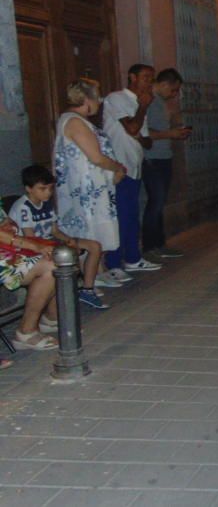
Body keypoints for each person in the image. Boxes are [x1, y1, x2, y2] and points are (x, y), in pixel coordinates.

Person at [54, 79, 125, 294]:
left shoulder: (78, 120)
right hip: (85, 190)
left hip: (93, 187)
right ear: (86, 100)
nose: (99, 102)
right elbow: (95, 157)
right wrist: (118, 167)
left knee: (96, 229)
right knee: (89, 229)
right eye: (97, 97)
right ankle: (88, 281)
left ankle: (98, 272)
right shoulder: (75, 122)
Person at [11, 165, 106, 309]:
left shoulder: (46, 203)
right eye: (42, 189)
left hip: (49, 241)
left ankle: (87, 289)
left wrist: (68, 240)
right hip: (32, 249)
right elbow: (30, 238)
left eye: (50, 188)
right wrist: (60, 245)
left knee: (94, 246)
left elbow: (55, 230)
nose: (48, 193)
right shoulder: (23, 207)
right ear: (29, 188)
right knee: (65, 256)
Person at [103, 64, 162, 278]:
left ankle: (133, 258)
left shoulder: (139, 104)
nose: (149, 82)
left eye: (151, 78)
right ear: (132, 77)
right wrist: (143, 108)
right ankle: (114, 263)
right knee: (119, 215)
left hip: (135, 165)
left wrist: (141, 133)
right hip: (118, 166)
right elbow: (132, 128)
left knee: (131, 216)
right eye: (146, 77)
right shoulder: (116, 98)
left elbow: (144, 140)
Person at [142, 68, 191, 260]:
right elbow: (145, 132)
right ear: (163, 84)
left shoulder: (161, 103)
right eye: (173, 90)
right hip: (152, 158)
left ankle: (160, 243)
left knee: (160, 202)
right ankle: (149, 246)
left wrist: (175, 132)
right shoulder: (148, 101)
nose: (175, 95)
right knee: (155, 201)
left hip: (164, 156)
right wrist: (170, 134)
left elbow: (160, 129)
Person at [1, 207, 59, 351]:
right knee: (50, 266)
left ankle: (52, 318)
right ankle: (26, 331)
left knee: (56, 258)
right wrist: (34, 245)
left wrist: (9, 225)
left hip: (7, 248)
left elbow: (7, 221)